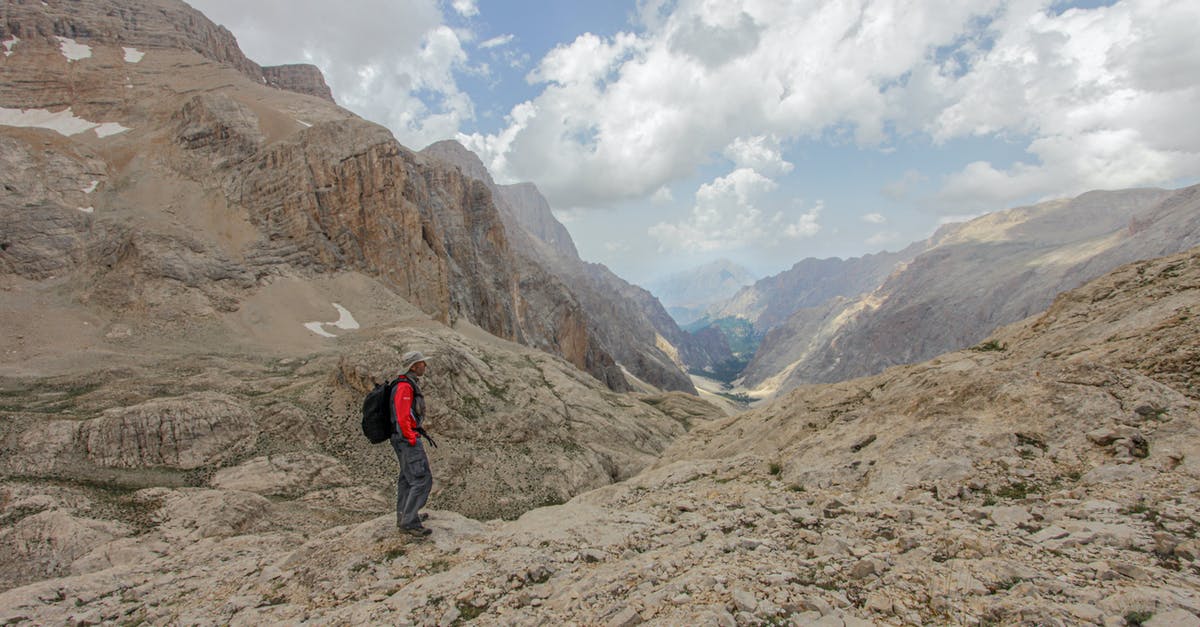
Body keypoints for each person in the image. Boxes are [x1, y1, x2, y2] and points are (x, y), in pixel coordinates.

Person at [391, 350, 433, 536]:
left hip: (401, 438)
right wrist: (410, 436)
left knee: (407, 479)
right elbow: (402, 415)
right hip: (406, 439)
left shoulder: (405, 384)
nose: (425, 365)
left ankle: (406, 514)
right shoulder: (405, 387)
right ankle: (409, 522)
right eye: (422, 363)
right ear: (414, 366)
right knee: (421, 479)